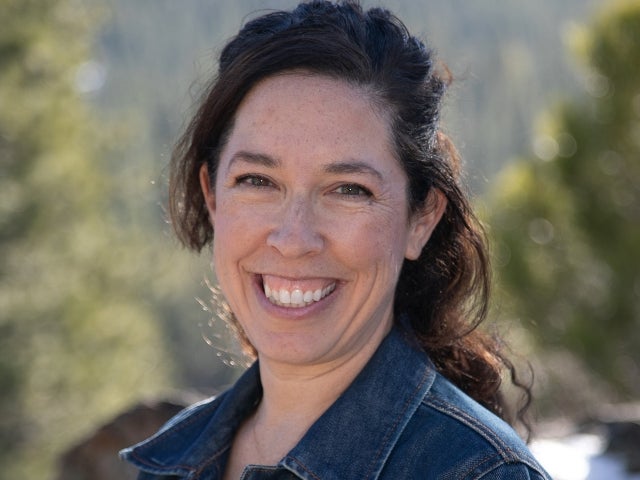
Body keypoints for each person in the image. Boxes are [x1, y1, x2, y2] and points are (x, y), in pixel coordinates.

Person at [121, 1, 551, 478]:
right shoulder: (171, 463)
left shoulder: (481, 473)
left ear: (420, 219)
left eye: (349, 190)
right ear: (212, 197)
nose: (293, 239)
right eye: (257, 181)